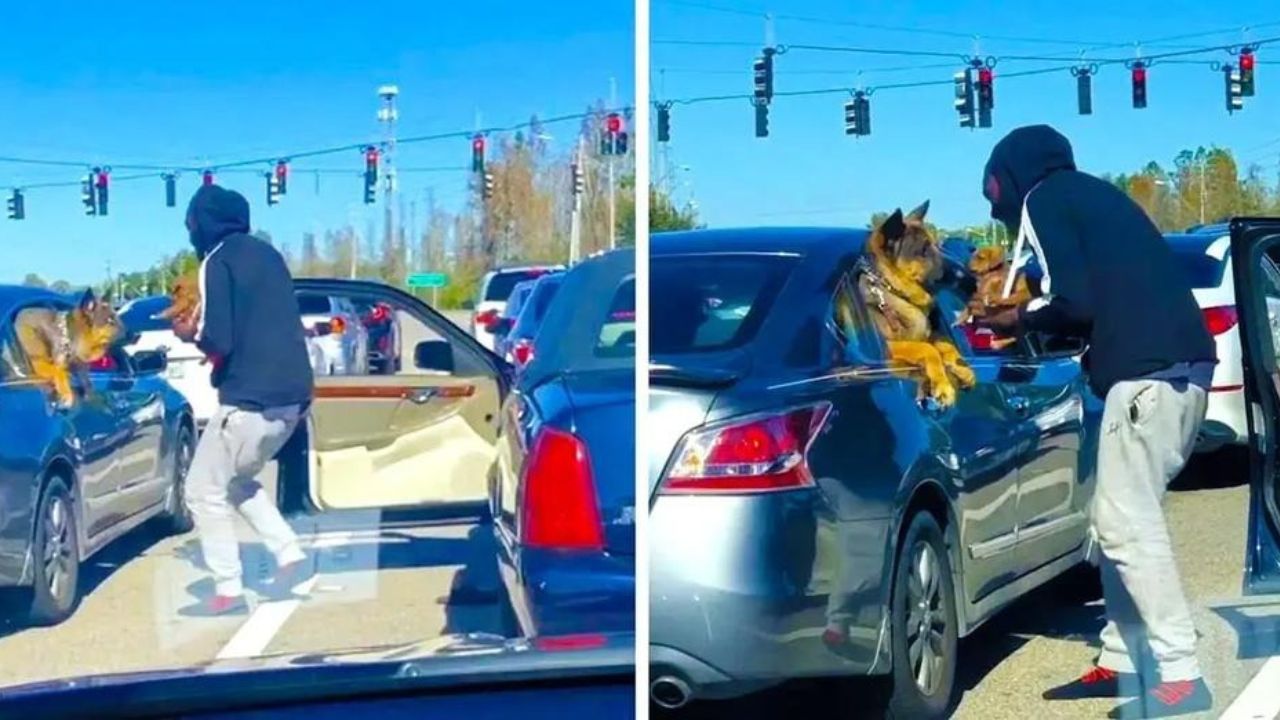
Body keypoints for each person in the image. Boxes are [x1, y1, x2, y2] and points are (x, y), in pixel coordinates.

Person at [977, 125, 1217, 719]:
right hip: (1179, 373)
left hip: (1147, 379)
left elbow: (1073, 303)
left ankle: (1182, 672)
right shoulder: (1095, 196)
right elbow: (1093, 304)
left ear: (1005, 180)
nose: (997, 210)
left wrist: (1019, 319)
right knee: (1116, 516)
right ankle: (1124, 656)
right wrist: (1043, 320)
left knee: (1124, 523)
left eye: (993, 197)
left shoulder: (1045, 200)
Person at [173, 184, 316, 617]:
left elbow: (220, 335)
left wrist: (188, 334)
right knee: (237, 481)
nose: (190, 232)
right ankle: (289, 554)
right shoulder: (268, 255)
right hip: (293, 399)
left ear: (203, 223)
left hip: (249, 399)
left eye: (191, 223)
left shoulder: (217, 261)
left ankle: (228, 591)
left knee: (201, 491)